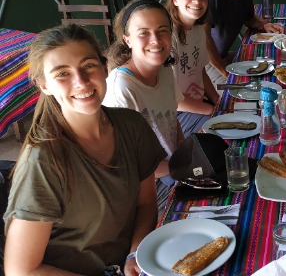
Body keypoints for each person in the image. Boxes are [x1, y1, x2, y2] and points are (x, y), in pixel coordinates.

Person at [3, 24, 165, 275]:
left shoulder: (132, 126)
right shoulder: (43, 161)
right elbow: (22, 270)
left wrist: (135, 253)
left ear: (104, 68)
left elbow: (145, 204)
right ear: (43, 85)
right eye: (62, 74)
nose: (81, 81)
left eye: (88, 65)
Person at [103, 0, 184, 211]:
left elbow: (173, 119)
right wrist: (178, 170)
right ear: (127, 40)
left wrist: (186, 155)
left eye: (162, 30)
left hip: (171, 169)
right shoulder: (121, 87)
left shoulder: (165, 70)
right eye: (143, 33)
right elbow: (128, 164)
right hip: (143, 187)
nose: (155, 41)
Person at [166, 0, 219, 136]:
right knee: (224, 132)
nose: (196, 1)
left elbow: (200, 71)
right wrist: (212, 110)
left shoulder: (197, 31)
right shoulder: (168, 36)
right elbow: (171, 98)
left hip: (198, 103)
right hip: (175, 114)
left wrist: (219, 102)